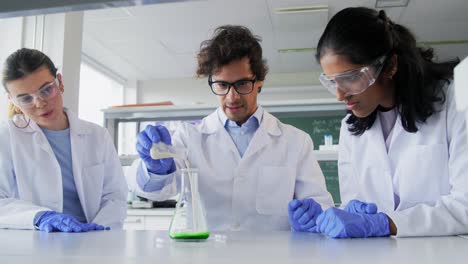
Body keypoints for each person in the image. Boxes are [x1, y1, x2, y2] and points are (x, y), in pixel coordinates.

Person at [132, 25, 334, 231]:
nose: (232, 97)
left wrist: (312, 216)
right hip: (207, 255)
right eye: (222, 85)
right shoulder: (189, 137)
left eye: (242, 84)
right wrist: (156, 170)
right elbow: (158, 191)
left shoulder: (296, 141)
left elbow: (320, 205)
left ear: (259, 81)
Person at [311, 7, 468, 238]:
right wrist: (324, 216)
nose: (340, 95)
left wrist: (385, 223)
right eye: (333, 82)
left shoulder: (456, 103)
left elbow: (465, 207)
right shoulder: (351, 128)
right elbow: (354, 205)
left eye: (351, 78)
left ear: (390, 66)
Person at [0, 48, 128, 232]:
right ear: (13, 101)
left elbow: (114, 195)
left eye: (46, 90)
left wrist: (96, 231)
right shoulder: (6, 136)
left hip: (94, 239)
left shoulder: (97, 136)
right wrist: (40, 217)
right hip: (35, 241)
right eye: (26, 98)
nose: (40, 103)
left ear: (59, 82)